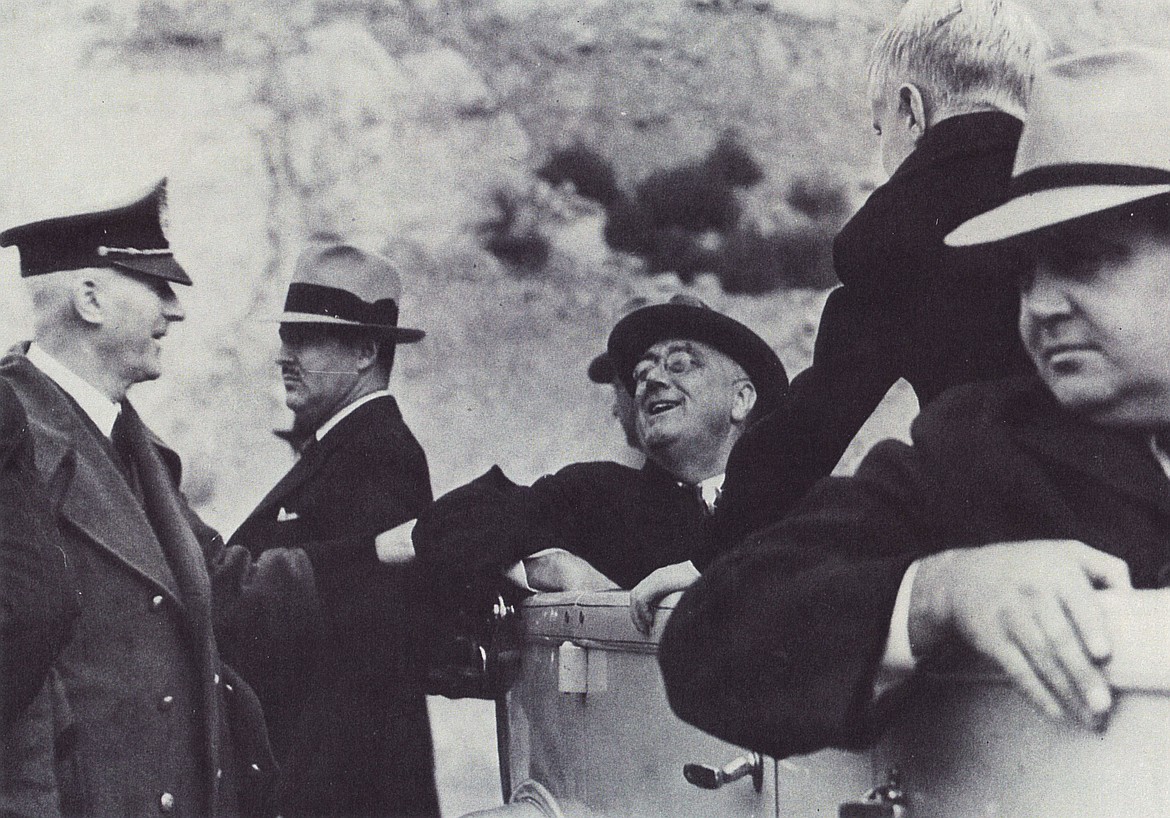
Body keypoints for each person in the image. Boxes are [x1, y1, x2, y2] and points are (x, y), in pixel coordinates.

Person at [658, 47, 1170, 761]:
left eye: (1085, 259)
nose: (1041, 305)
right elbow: (712, 637)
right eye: (1023, 272)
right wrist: (940, 589)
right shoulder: (978, 449)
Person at [0, 179, 312, 817]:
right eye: (158, 287)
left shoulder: (130, 442)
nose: (176, 311)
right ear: (90, 298)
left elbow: (226, 584)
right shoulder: (15, 432)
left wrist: (398, 551)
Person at [710, 0, 1047, 549]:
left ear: (911, 110)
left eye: (878, 127)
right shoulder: (1085, 192)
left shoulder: (897, 225)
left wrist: (711, 551)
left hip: (999, 545)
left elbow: (813, 426)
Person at [413, 295, 787, 629]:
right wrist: (553, 566)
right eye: (641, 374)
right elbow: (448, 522)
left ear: (741, 399)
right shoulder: (596, 497)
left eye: (680, 364)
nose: (652, 380)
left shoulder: (793, 501)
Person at [224, 243, 439, 818]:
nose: (284, 356)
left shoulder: (378, 449)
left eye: (307, 338)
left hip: (340, 783)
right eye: (286, 336)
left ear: (367, 351)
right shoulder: (344, 447)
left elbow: (361, 648)